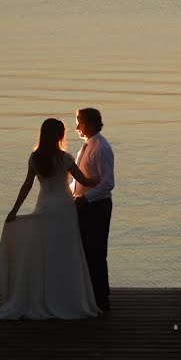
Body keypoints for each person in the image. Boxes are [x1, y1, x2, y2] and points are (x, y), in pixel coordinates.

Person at [0, 118, 101, 320]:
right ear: (60, 135)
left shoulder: (35, 158)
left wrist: (14, 210)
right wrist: (99, 180)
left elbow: (27, 186)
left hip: (45, 207)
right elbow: (84, 180)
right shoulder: (65, 158)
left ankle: (42, 296)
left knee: (44, 253)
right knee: (66, 254)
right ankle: (67, 299)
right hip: (65, 211)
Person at [72, 107, 114, 311]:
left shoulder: (101, 148)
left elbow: (108, 183)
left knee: (96, 251)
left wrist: (85, 199)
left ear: (89, 124)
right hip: (85, 205)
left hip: (97, 207)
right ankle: (90, 295)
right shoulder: (86, 146)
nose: (76, 126)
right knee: (85, 251)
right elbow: (80, 180)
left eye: (79, 121)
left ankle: (101, 298)